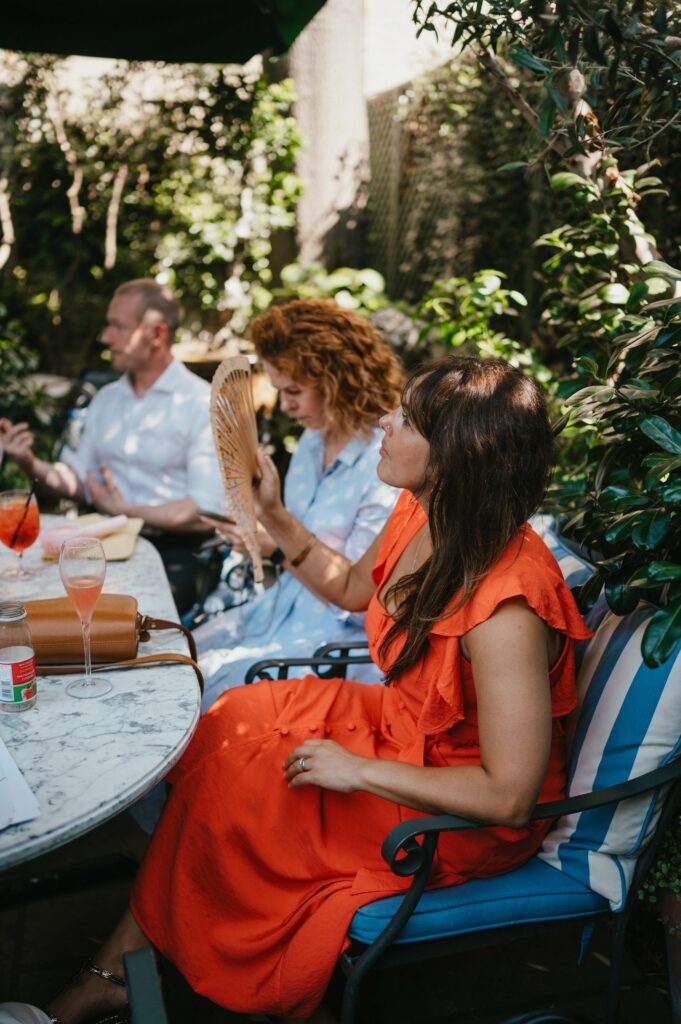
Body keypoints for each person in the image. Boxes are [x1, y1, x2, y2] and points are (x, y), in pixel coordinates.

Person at [44, 356, 592, 1024]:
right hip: (399, 726)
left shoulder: (506, 606)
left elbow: (507, 797)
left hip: (456, 804)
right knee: (227, 718)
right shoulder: (424, 514)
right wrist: (273, 513)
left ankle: (140, 967)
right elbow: (348, 588)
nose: (384, 425)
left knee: (247, 785)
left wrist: (359, 770)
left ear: (457, 455)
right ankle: (142, 945)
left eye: (408, 420)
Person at [195, 298, 404, 710]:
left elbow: (358, 592)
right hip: (281, 607)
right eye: (279, 391)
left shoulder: (387, 461)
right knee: (176, 657)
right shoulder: (311, 443)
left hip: (336, 644)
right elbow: (302, 549)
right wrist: (263, 533)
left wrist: (275, 529)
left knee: (205, 692)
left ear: (338, 379)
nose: (286, 406)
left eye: (294, 391)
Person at [0, 279, 225, 614]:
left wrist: (125, 510)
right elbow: (80, 479)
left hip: (177, 553)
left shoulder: (201, 403)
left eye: (117, 326)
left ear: (156, 334)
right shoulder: (106, 399)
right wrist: (31, 463)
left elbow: (208, 511)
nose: (105, 338)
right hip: (104, 545)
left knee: (112, 620)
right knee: (33, 599)